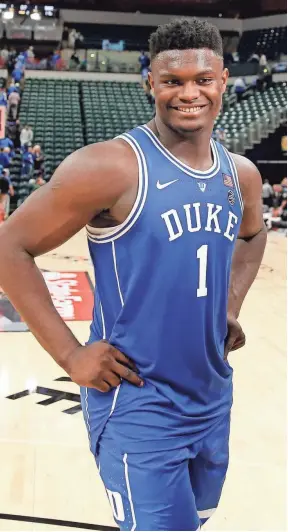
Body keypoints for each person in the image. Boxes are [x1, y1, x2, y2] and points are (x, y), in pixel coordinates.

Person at [0, 18, 267, 531]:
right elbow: (10, 247)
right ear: (151, 83)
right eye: (173, 81)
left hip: (212, 396)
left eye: (202, 79)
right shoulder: (111, 167)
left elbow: (253, 238)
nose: (189, 93)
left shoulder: (242, 174)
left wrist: (229, 304)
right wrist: (70, 354)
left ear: (224, 79)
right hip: (138, 402)